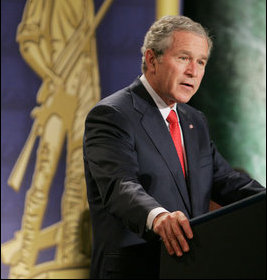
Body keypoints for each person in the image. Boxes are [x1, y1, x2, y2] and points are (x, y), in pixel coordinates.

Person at [83, 15, 264, 279]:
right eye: (183, 58)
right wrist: (158, 217)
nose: (194, 71)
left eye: (201, 61)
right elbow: (120, 186)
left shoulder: (194, 120)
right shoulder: (112, 115)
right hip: (135, 269)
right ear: (151, 59)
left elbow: (228, 182)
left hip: (189, 267)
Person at [9, 0, 100, 279]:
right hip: (58, 90)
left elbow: (91, 56)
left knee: (79, 176)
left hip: (83, 93)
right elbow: (28, 38)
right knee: (44, 172)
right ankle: (25, 255)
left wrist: (92, 100)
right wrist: (51, 76)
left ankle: (71, 253)